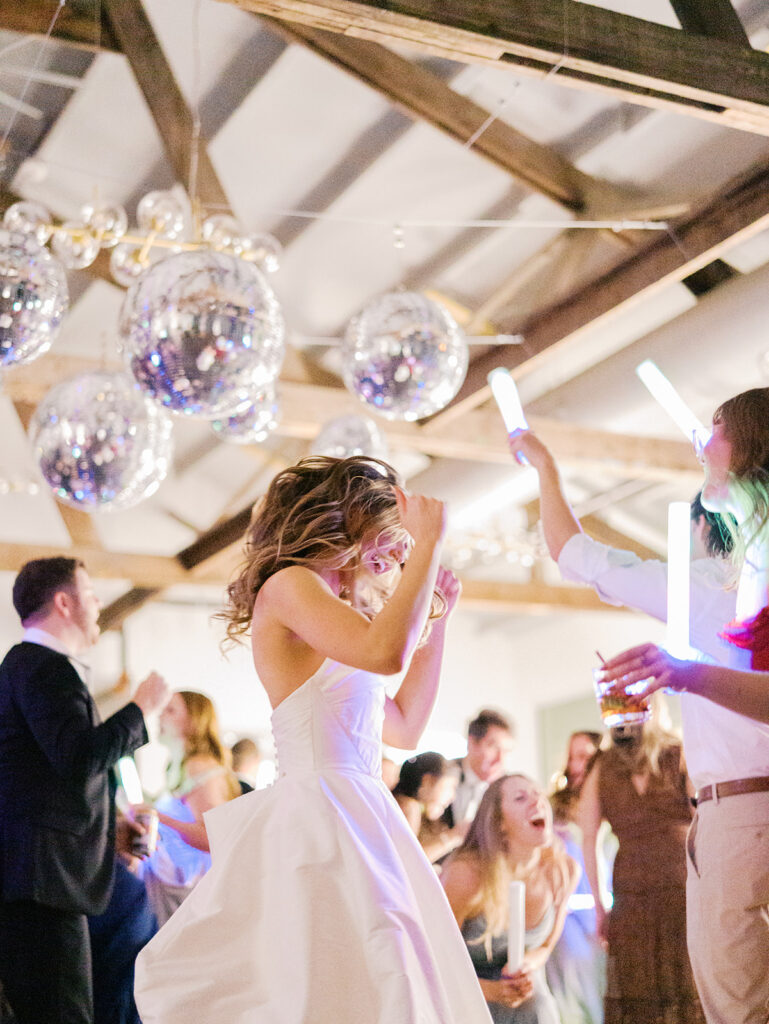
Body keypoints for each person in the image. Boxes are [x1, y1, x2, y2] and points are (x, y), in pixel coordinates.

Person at [135, 455, 493, 1023]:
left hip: (363, 811)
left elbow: (404, 726)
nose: (399, 546)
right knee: (333, 972)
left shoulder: (345, 612)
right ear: (348, 520)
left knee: (388, 970)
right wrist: (429, 546)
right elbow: (384, 652)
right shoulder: (288, 586)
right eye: (389, 529)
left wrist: (438, 622)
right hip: (319, 812)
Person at [509, 424, 768, 1024]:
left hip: (738, 817)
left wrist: (545, 468)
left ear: (706, 527)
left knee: (738, 1006)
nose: (702, 442)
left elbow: (573, 552)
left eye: (717, 432)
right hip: (714, 833)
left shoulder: (704, 590)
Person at [589, 388, 769, 1023]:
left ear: (750, 446)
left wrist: (685, 673)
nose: (699, 441)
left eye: (715, 428)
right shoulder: (753, 563)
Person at [0, 556, 171, 1024]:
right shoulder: (43, 666)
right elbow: (80, 758)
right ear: (64, 603)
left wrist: (111, 829)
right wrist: (140, 709)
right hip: (44, 886)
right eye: (91, 595)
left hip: (41, 882)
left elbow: (46, 781)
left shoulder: (30, 667)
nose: (98, 604)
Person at [576, 703, 704, 1023]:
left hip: (653, 886)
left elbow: (588, 838)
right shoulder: (679, 752)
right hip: (661, 884)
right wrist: (599, 905)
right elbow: (702, 821)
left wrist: (600, 906)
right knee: (682, 980)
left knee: (641, 985)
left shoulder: (602, 764)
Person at [442, 774, 579, 1023]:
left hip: (527, 1003)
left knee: (538, 1006)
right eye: (520, 798)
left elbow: (545, 946)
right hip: (464, 999)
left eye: (538, 794)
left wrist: (527, 965)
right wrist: (492, 991)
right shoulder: (467, 875)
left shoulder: (562, 870)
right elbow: (434, 960)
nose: (537, 802)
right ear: (499, 823)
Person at [139, 691, 241, 925]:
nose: (160, 716)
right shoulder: (177, 765)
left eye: (171, 710)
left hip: (193, 891)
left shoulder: (200, 767)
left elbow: (211, 838)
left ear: (194, 721)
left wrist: (156, 817)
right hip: (175, 887)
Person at [546, 731, 606, 1024]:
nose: (576, 765)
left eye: (584, 756)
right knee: (573, 990)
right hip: (568, 915)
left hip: (609, 908)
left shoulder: (617, 800)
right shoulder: (555, 808)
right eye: (572, 757)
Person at [446, 708, 515, 829]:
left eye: (506, 751)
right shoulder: (443, 773)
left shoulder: (508, 789)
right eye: (493, 747)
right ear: (472, 742)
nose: (500, 760)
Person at [393, 751, 463, 864]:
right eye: (451, 787)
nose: (452, 797)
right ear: (428, 781)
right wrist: (453, 836)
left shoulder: (409, 806)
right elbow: (408, 863)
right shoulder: (409, 807)